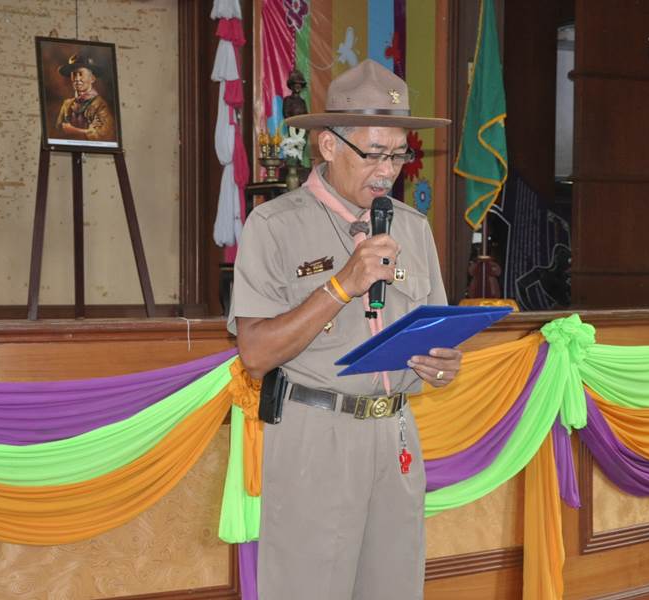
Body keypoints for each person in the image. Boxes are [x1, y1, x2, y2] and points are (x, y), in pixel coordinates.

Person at [228, 59, 460, 600]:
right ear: (329, 145)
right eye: (373, 153)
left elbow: (436, 335)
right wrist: (341, 286)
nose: (387, 171)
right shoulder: (274, 225)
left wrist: (442, 365)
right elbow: (255, 353)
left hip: (396, 436)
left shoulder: (412, 227)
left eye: (398, 154)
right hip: (316, 435)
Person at [54, 53, 116, 141]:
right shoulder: (67, 105)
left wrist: (73, 131)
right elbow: (57, 132)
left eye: (81, 74)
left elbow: (104, 135)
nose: (77, 79)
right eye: (74, 74)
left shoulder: (100, 105)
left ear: (92, 78)